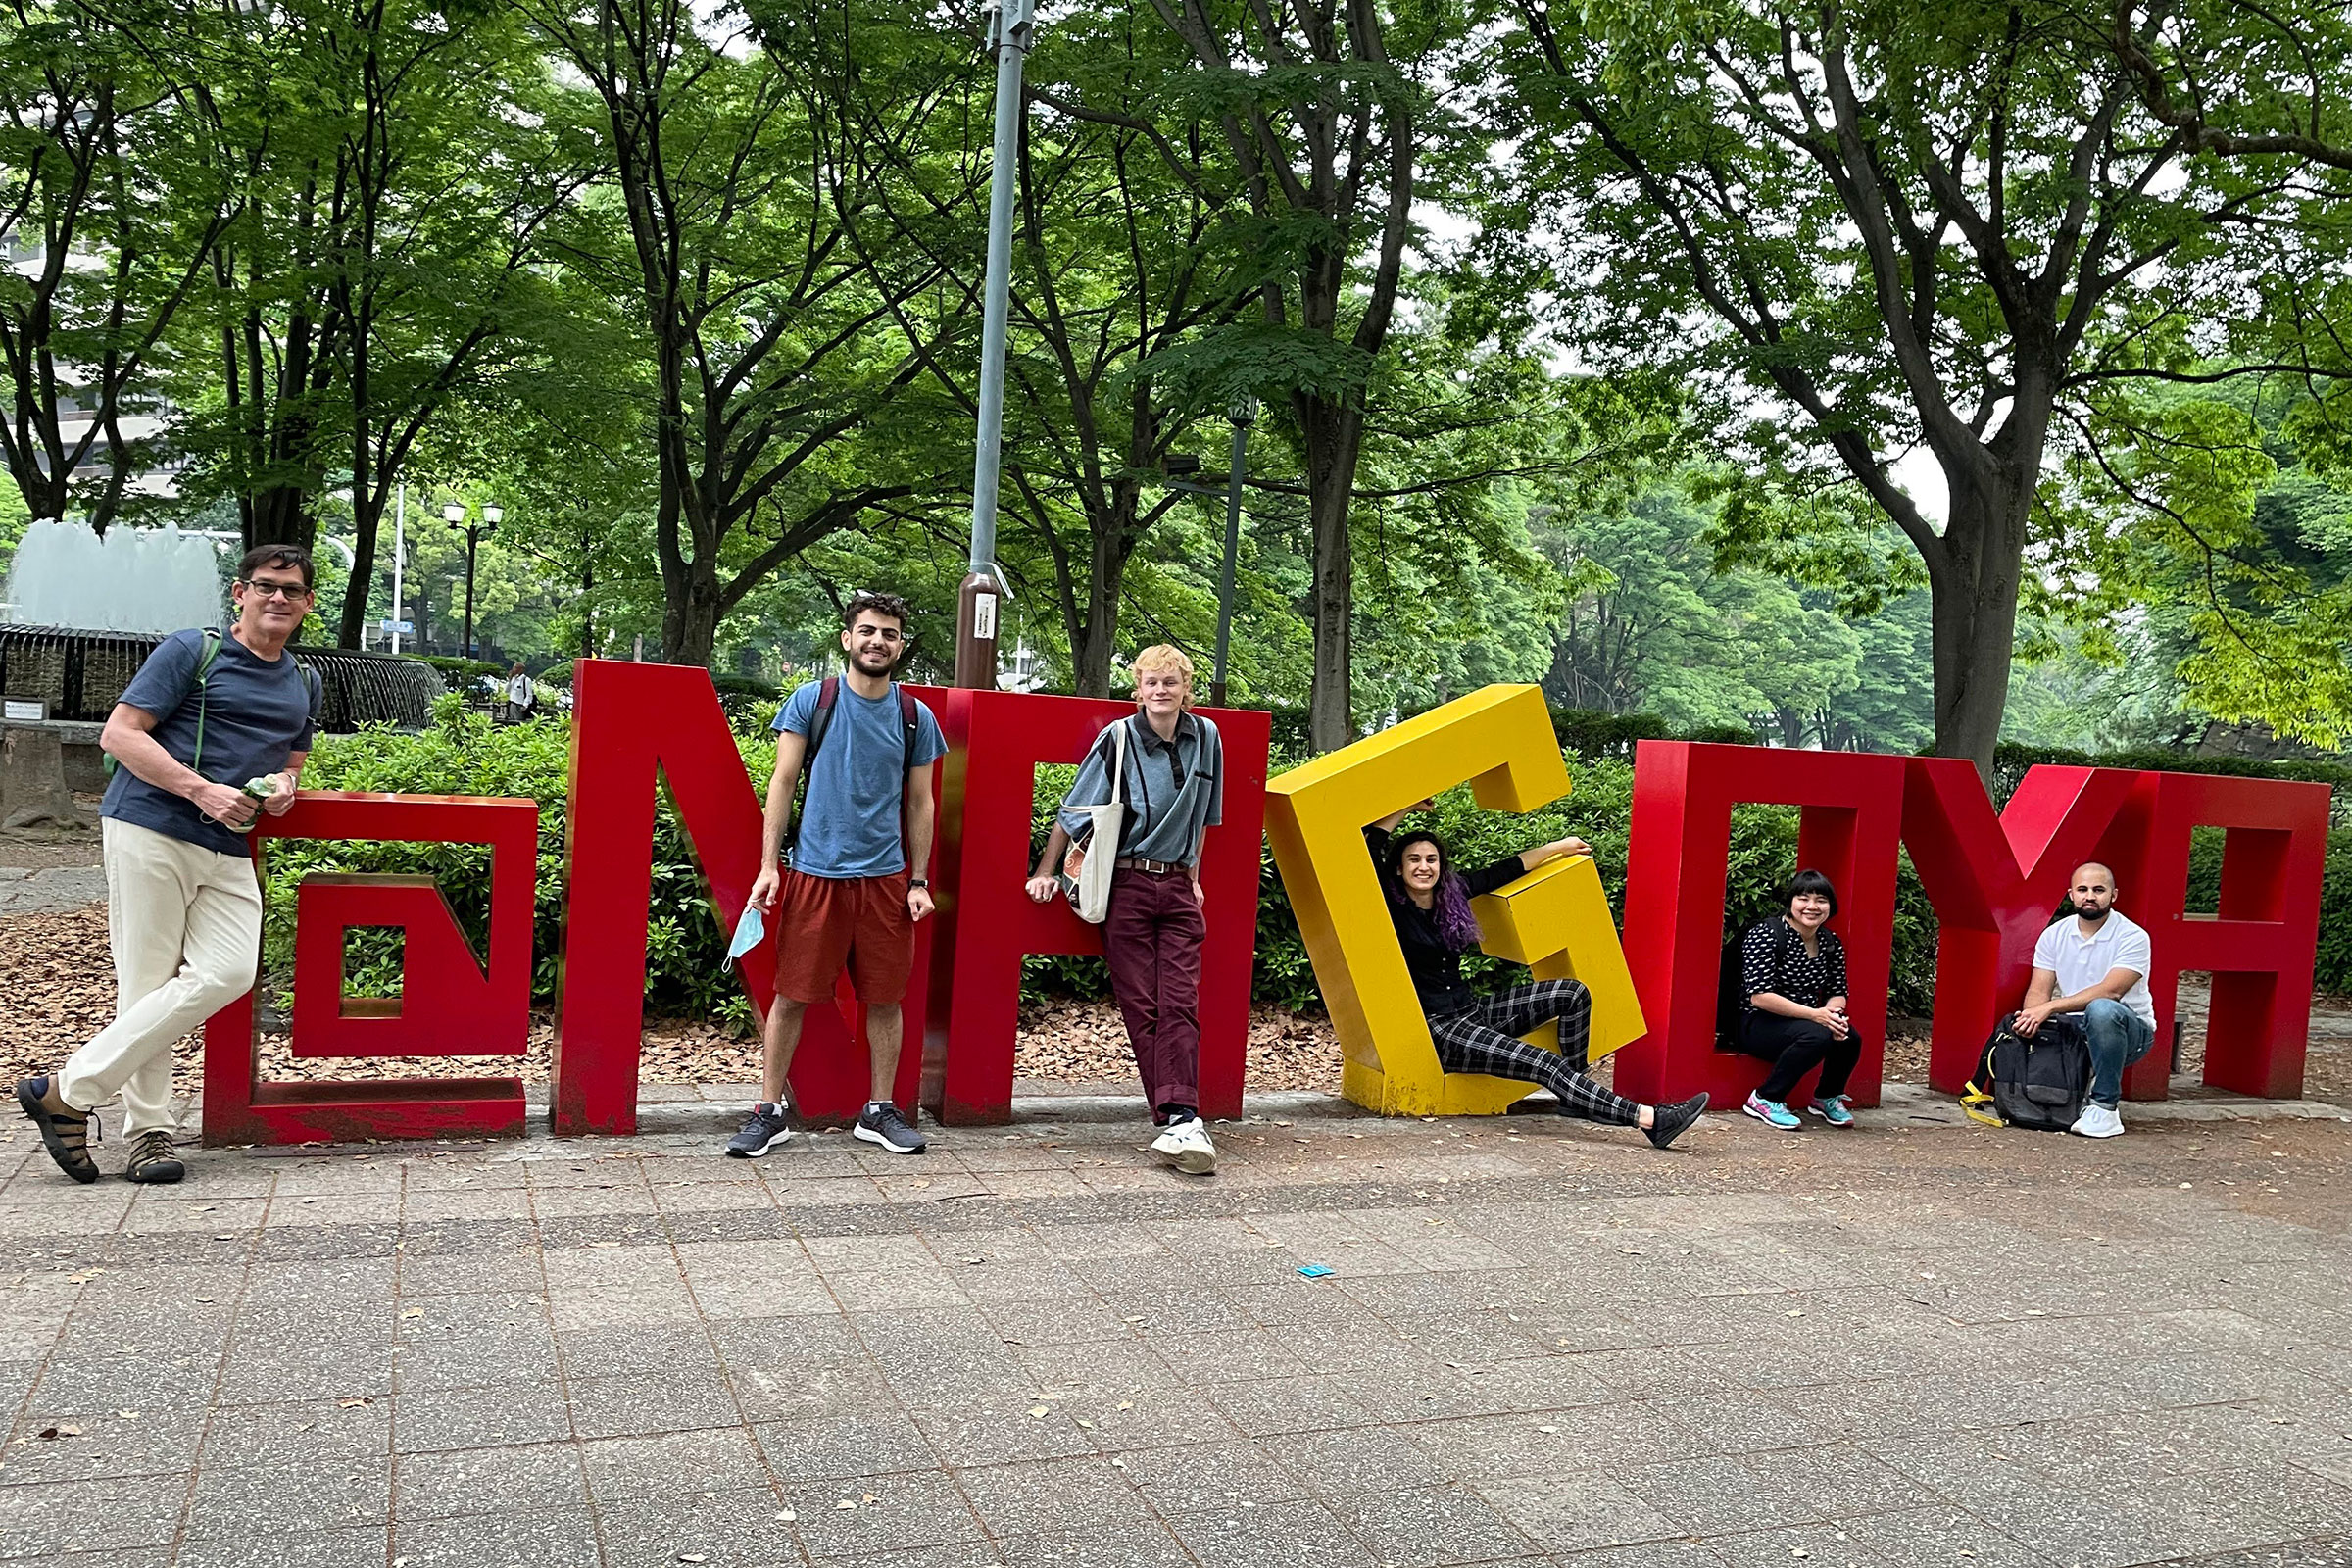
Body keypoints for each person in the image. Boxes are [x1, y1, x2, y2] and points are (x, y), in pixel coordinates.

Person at [17, 546, 322, 1184]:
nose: (278, 599)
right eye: (266, 586)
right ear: (239, 593)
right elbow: (121, 734)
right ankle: (149, 1135)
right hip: (151, 826)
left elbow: (292, 765)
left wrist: (286, 791)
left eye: (291, 591)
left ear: (307, 604)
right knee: (149, 982)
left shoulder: (304, 681)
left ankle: (67, 1091)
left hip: (229, 843)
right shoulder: (193, 651)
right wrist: (200, 789)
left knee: (232, 969)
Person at [731, 592, 947, 1157]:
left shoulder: (914, 716)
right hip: (814, 875)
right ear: (847, 639)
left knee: (884, 997)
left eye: (890, 634)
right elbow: (782, 781)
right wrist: (767, 865)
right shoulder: (812, 700)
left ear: (901, 646)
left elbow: (921, 802)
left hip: (885, 881)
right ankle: (769, 1110)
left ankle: (879, 1111)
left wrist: (919, 879)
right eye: (869, 631)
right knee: (792, 995)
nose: (879, 641)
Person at [1364, 804, 1707, 1148]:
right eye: (1414, 860)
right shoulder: (1390, 906)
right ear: (1398, 869)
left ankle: (1575, 1097)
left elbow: (1505, 870)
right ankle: (1651, 1120)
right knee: (1544, 1062)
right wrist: (1406, 807)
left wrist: (1558, 847)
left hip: (1472, 1013)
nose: (1424, 867)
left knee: (1571, 993)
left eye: (1431, 859)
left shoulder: (1451, 896)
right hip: (1442, 1030)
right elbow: (1370, 845)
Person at [1025, 647, 1225, 1174]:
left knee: (1179, 1000)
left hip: (1178, 888)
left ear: (1186, 688)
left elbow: (1203, 818)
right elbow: (1074, 811)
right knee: (1144, 1005)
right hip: (1127, 884)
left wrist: (1194, 878)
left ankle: (1180, 1117)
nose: (1161, 691)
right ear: (1137, 689)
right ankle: (1181, 1119)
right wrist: (1045, 871)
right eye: (1152, 683)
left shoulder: (1208, 739)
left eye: (1171, 683)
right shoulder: (1116, 739)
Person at [2012, 860, 2157, 1138]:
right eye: (2083, 889)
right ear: (2071, 895)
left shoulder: (2133, 936)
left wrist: (2049, 1008)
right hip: (2075, 1031)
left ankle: (2105, 1108)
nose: (2090, 896)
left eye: (2099, 889)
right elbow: (2038, 991)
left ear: (2113, 896)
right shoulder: (2054, 934)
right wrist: (2032, 1017)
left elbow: (2111, 992)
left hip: (2129, 1033)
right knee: (2030, 1019)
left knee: (2102, 1009)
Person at [1736, 869, 1861, 1130]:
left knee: (1849, 1036)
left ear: (1830, 906)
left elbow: (1837, 991)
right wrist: (1816, 1016)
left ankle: (1826, 1096)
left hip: (1805, 1021)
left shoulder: (1830, 941)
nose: (1812, 906)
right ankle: (1765, 1098)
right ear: (1791, 901)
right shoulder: (1766, 934)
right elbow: (1760, 996)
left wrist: (1831, 1016)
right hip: (1758, 1023)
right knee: (1817, 1035)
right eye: (1804, 898)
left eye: (1821, 900)